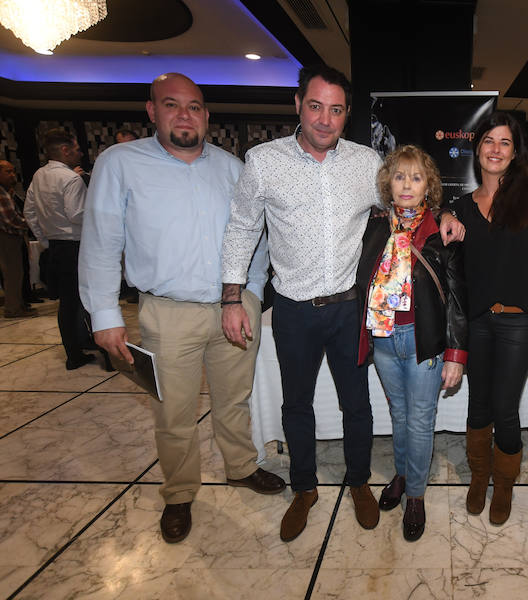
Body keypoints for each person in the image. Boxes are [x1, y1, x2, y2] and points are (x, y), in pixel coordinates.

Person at [221, 64, 463, 542]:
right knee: (297, 404)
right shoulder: (263, 161)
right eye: (315, 106)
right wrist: (232, 295)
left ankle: (358, 482)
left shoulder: (365, 162)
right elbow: (242, 227)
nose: (325, 119)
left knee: (358, 405)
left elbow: (408, 199)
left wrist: (448, 212)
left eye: (336, 110)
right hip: (291, 308)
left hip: (352, 309)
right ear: (298, 105)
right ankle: (304, 489)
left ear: (347, 114)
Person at [80, 73, 285, 544]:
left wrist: (251, 293)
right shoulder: (120, 164)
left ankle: (239, 466)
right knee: (172, 411)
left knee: (234, 400)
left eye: (194, 106)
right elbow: (100, 242)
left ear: (207, 114)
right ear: (152, 111)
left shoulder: (233, 168)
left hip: (234, 308)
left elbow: (256, 238)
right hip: (166, 312)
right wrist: (105, 315)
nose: (184, 115)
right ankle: (178, 494)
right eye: (172, 105)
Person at [446, 111, 528, 525]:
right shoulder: (461, 206)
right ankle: (479, 478)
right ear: (477, 149)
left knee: (506, 408)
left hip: (519, 322)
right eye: (489, 141)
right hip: (477, 321)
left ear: (515, 152)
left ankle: (505, 484)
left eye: (505, 142)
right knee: (478, 403)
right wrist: (443, 217)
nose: (495, 149)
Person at [356, 145, 467, 541]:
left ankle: (416, 496)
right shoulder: (373, 225)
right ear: (388, 183)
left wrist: (455, 355)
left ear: (428, 186)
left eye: (416, 177)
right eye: (400, 177)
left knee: (420, 420)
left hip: (426, 342)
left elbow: (456, 297)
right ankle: (403, 476)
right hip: (384, 339)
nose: (407, 185)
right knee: (399, 416)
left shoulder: (442, 230)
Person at [24, 128, 95, 369]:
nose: (80, 153)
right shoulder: (70, 179)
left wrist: (45, 240)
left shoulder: (38, 176)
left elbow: (29, 213)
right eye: (76, 149)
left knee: (68, 301)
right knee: (84, 298)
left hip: (55, 246)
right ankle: (79, 352)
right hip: (75, 246)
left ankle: (76, 347)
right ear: (65, 150)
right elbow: (77, 215)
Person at [0, 160, 35, 318]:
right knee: (12, 273)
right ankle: (13, 308)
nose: (12, 175)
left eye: (13, 171)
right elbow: (11, 219)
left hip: (13, 236)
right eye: (8, 172)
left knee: (17, 272)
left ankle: (18, 305)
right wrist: (30, 223)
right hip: (7, 237)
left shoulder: (8, 191)